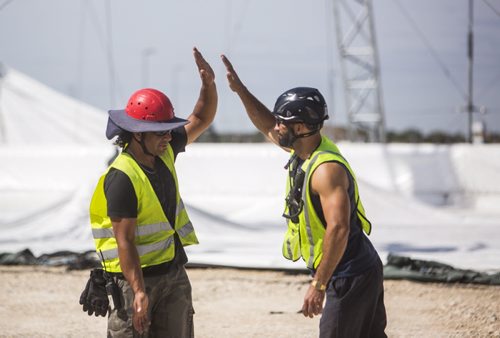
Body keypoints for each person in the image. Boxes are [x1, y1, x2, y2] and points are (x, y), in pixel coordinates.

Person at [221, 55, 387, 338]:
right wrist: (240, 91)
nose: (276, 127)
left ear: (300, 127)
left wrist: (319, 285)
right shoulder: (303, 150)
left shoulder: (325, 170)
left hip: (348, 274)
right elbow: (265, 125)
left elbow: (339, 228)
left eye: (282, 123)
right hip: (353, 267)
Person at [88, 47, 217, 337]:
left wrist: (208, 85)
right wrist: (139, 292)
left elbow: (201, 119)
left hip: (172, 274)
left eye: (170, 130)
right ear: (137, 133)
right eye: (161, 132)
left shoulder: (165, 151)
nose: (169, 137)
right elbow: (126, 241)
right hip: (135, 280)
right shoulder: (122, 176)